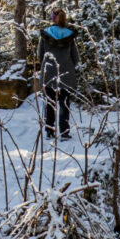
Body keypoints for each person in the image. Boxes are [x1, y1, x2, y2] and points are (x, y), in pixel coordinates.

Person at [38, 8, 79, 140]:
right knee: (64, 104)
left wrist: (46, 66)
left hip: (49, 73)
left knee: (50, 103)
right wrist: (69, 66)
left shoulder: (46, 34)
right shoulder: (70, 35)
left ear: (52, 18)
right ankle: (64, 132)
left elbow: (40, 55)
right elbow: (76, 57)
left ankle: (49, 131)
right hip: (66, 74)